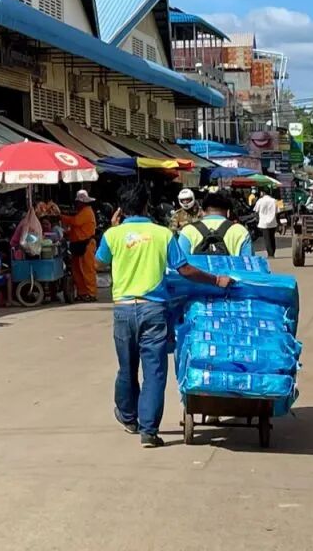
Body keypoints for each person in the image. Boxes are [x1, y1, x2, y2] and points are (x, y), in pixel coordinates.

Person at [98, 182, 231, 448]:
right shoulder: (162, 234)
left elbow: (98, 263)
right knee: (155, 371)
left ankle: (128, 417)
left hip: (123, 309)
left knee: (126, 367)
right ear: (147, 205)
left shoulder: (112, 235)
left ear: (121, 209)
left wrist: (114, 231)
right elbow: (185, 270)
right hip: (154, 309)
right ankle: (149, 431)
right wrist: (215, 280)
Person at [176, 191, 252, 257]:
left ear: (202, 212)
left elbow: (180, 264)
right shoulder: (241, 231)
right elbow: (249, 264)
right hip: (231, 274)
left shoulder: (188, 231)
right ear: (228, 212)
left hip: (198, 274)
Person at [61, 190, 100, 302]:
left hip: (86, 244)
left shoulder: (87, 211)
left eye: (78, 202)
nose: (76, 204)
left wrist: (61, 216)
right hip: (77, 244)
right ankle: (82, 293)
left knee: (88, 269)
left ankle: (91, 293)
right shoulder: (82, 211)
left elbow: (76, 222)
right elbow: (77, 228)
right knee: (77, 270)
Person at [254, 188, 281, 258]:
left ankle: (270, 254)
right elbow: (278, 212)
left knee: (267, 239)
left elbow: (256, 211)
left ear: (263, 193)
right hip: (273, 222)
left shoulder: (260, 201)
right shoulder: (274, 201)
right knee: (272, 237)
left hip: (263, 223)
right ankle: (273, 252)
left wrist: (257, 220)